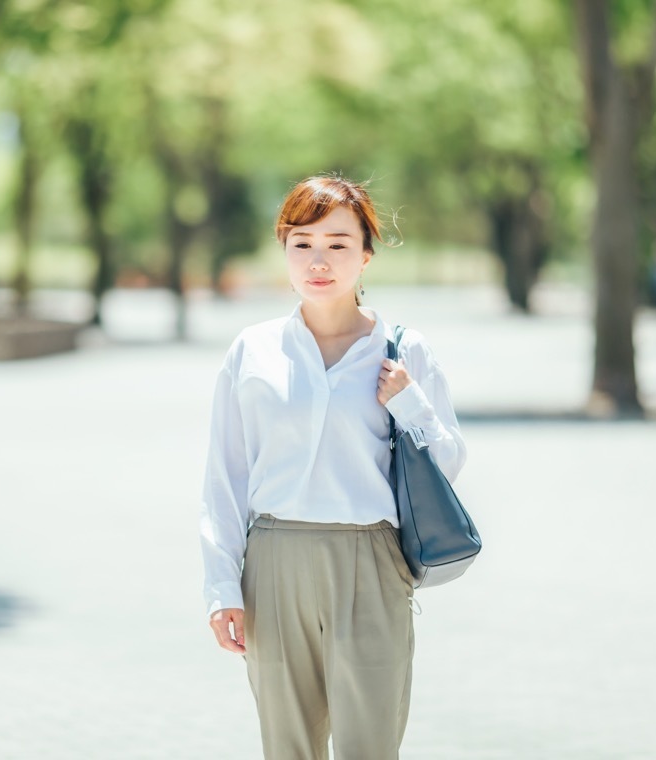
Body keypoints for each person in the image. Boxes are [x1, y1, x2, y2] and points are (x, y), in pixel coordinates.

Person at [199, 175, 467, 759]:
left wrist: (408, 401)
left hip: (370, 560)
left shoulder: (403, 350)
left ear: (366, 254)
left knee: (370, 745)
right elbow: (225, 477)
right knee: (288, 746)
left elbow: (447, 463)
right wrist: (222, 588)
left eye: (338, 244)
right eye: (303, 243)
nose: (319, 260)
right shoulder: (253, 351)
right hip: (274, 560)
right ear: (285, 250)